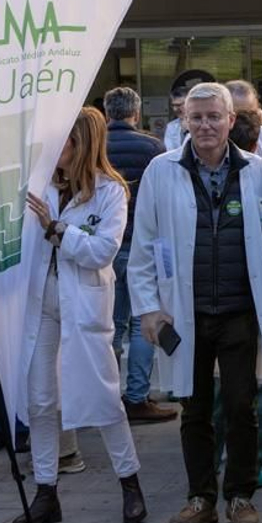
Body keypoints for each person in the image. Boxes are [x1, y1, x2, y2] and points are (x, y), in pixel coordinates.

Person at [130, 82, 262, 523]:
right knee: (193, 409)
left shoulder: (257, 171)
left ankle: (240, 496)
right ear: (183, 122)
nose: (205, 125)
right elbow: (143, 247)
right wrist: (149, 309)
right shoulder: (161, 171)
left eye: (214, 116)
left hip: (239, 310)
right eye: (195, 118)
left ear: (231, 120)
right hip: (185, 312)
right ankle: (200, 497)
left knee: (241, 406)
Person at [13, 107, 146, 523]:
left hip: (83, 305)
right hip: (41, 304)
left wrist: (57, 230)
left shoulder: (110, 192)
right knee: (40, 400)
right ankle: (45, 491)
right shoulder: (40, 188)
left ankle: (130, 484)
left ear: (82, 144)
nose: (54, 151)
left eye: (63, 143)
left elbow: (102, 251)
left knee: (104, 397)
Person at [101, 86, 175, 424]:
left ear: (107, 111)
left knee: (109, 326)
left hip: (103, 246)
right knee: (140, 321)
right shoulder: (153, 148)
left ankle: (106, 397)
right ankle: (137, 396)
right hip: (142, 245)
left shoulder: (96, 145)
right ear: (136, 112)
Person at [163, 69, 217, 151]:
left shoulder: (206, 123)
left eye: (179, 105)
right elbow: (169, 151)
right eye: (173, 105)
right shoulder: (171, 127)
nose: (175, 109)